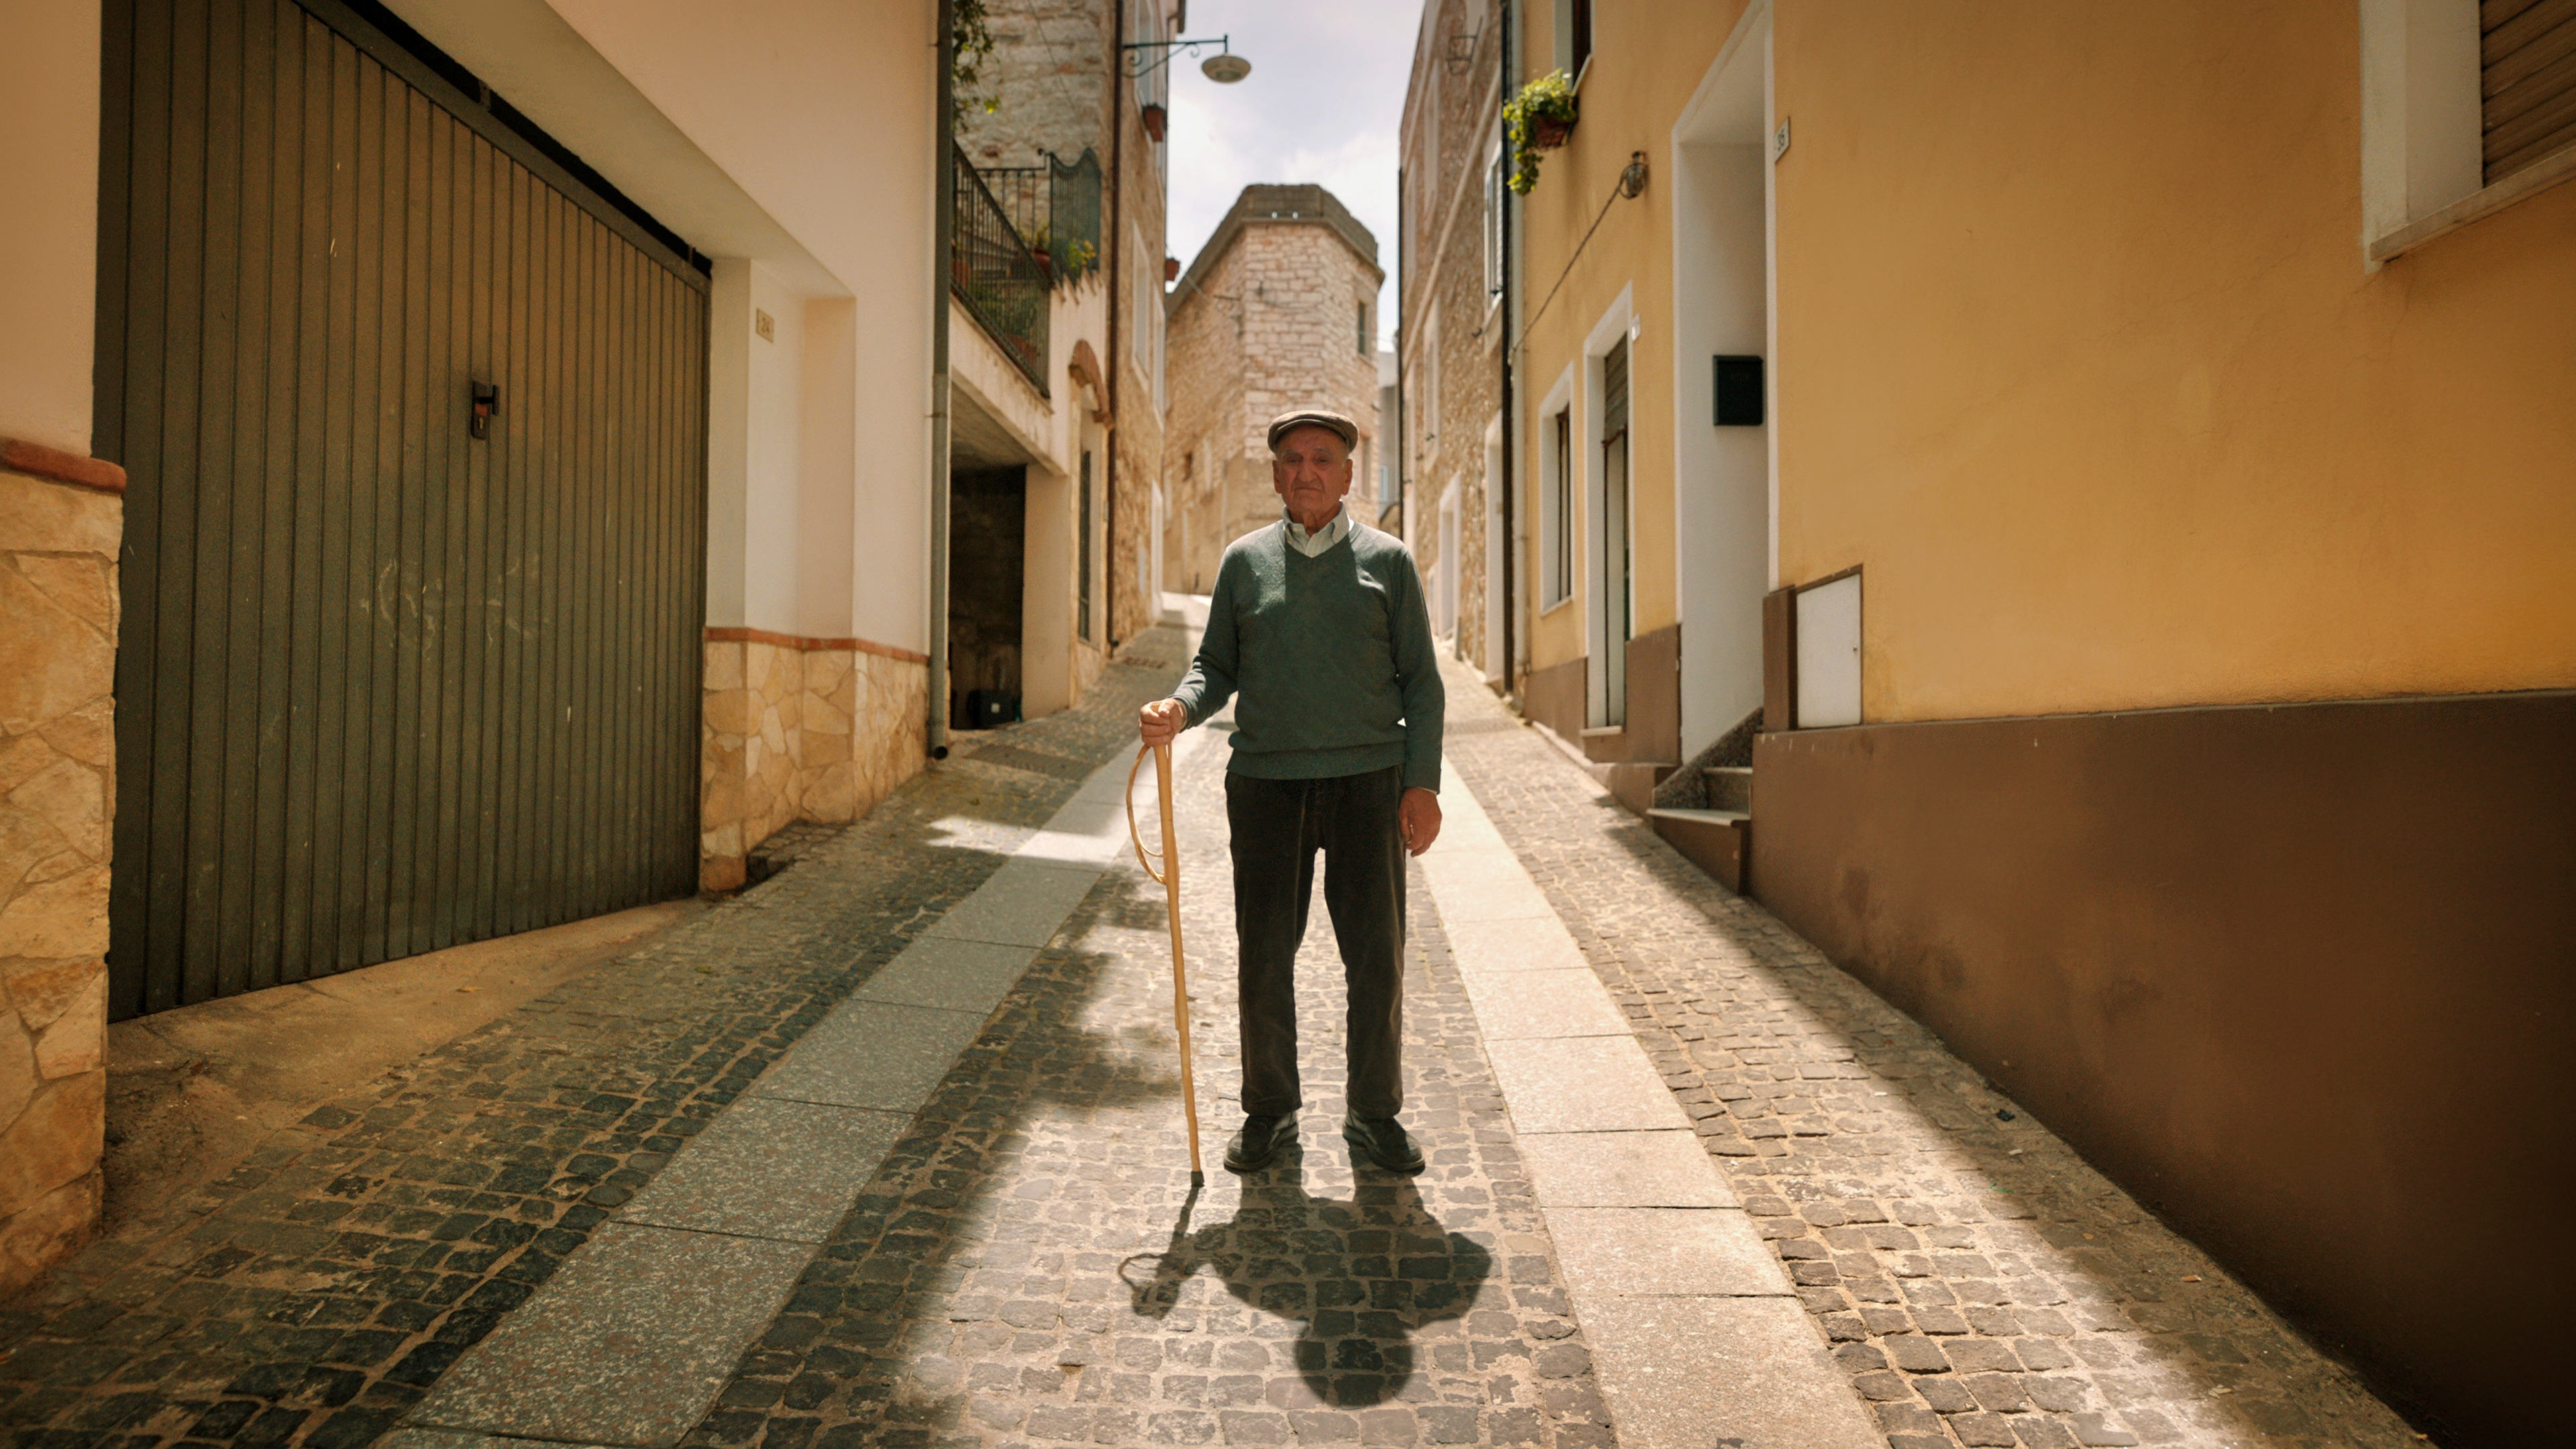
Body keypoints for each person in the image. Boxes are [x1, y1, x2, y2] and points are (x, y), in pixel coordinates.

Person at [1138, 407, 1445, 1175]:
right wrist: (1180, 706)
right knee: (1265, 955)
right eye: (1291, 460)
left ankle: (1374, 1115)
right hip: (1267, 785)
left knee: (1378, 958)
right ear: (1275, 474)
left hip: (1368, 785)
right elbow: (1216, 664)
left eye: (1322, 458)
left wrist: (1423, 785)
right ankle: (1270, 1112)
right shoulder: (1244, 563)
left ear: (1348, 475)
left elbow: (1424, 685)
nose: (1306, 471)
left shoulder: (1391, 563)